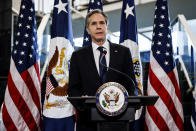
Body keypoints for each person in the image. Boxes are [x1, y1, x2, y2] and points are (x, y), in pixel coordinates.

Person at [68, 9, 137, 131]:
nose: (98, 27)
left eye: (102, 23)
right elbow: (73, 89)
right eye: (94, 24)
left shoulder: (123, 52)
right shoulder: (78, 56)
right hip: (88, 122)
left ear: (106, 26)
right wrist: (82, 102)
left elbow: (131, 85)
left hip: (118, 121)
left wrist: (129, 103)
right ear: (88, 30)